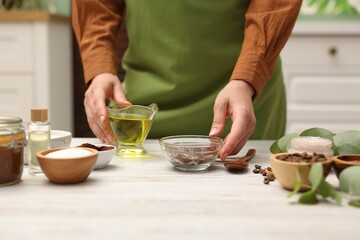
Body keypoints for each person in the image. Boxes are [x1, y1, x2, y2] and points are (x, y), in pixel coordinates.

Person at [72, 0, 302, 160]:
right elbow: (96, 7)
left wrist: (247, 77)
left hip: (241, 100)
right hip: (142, 112)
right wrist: (99, 69)